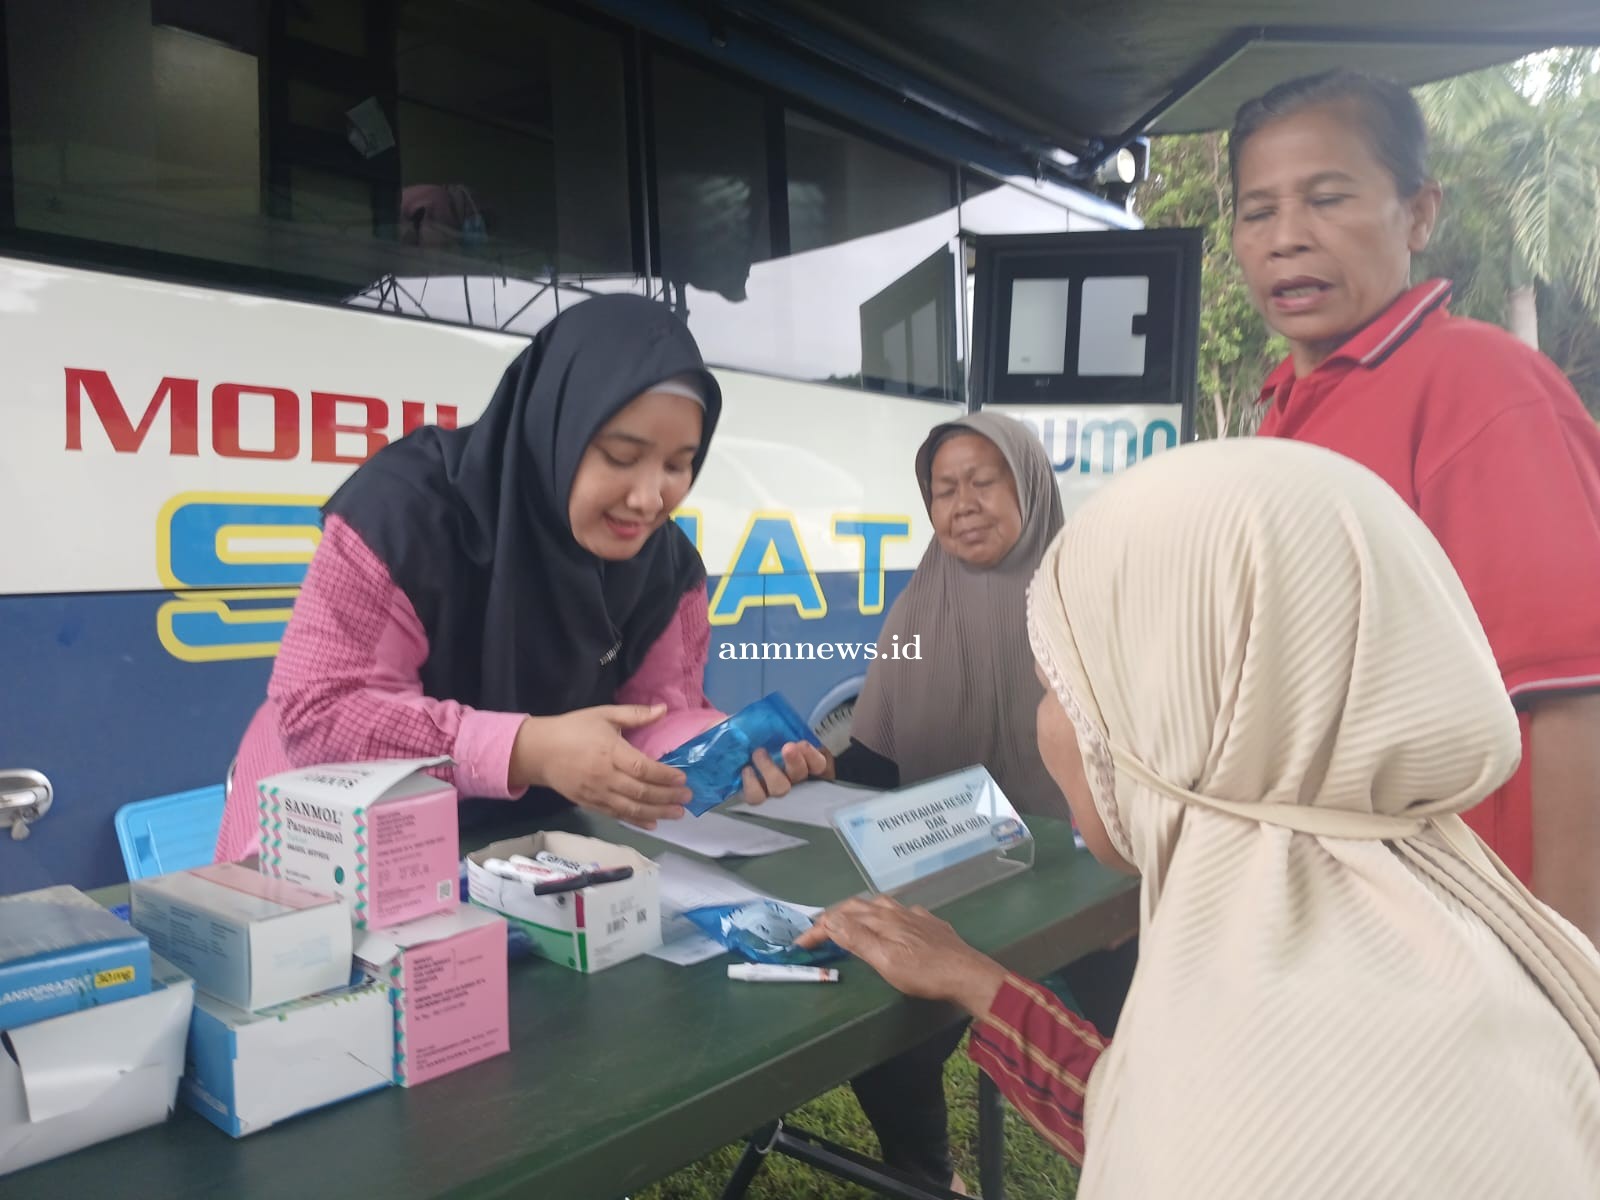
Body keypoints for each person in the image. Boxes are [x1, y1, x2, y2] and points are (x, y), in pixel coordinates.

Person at [800, 437, 1600, 1198]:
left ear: (1178, 713)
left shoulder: (1264, 1090)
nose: (1045, 725)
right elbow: (1147, 1116)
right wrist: (977, 983)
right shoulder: (1442, 930)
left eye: (1060, 689)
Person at [215, 294, 830, 862]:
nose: (649, 498)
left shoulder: (667, 568)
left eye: (678, 465)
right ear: (554, 428)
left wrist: (727, 747)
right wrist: (527, 750)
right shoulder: (401, 513)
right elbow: (322, 714)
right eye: (620, 456)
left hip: (522, 853)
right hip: (330, 844)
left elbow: (653, 716)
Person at [1229, 68, 1600, 941]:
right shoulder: (1284, 408)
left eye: (1327, 199)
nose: (1287, 238)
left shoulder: (1480, 386)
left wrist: (1566, 967)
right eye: (1258, 211)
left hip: (1468, 927)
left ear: (1420, 214)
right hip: (1342, 912)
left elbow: (1574, 696)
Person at [834, 411, 1132, 1193]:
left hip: (1090, 887)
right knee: (885, 1040)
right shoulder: (917, 606)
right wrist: (816, 769)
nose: (962, 504)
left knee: (1142, 1050)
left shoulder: (1089, 602)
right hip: (950, 881)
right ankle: (927, 1177)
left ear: (1027, 486)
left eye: (982, 482)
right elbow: (871, 763)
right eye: (943, 489)